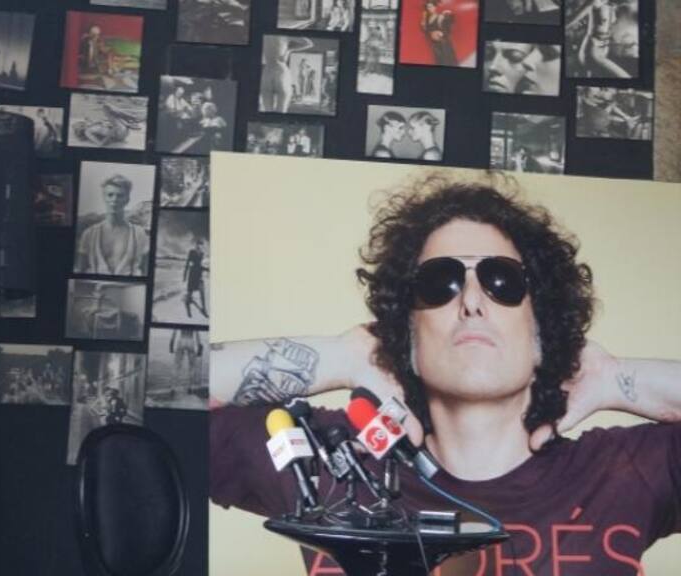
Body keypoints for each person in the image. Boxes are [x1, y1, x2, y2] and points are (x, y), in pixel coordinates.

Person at [210, 181, 681, 575]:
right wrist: (342, 356)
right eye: (440, 283)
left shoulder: (623, 471)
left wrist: (614, 377)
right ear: (409, 333)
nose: (471, 301)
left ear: (541, 330)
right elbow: (169, 392)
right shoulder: (330, 458)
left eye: (502, 281)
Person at [76, 174, 150, 276]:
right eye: (110, 195)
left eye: (120, 195)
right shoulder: (89, 234)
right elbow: (79, 272)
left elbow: (146, 272)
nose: (114, 199)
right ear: (104, 197)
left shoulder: (139, 234)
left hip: (130, 285)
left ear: (127, 199)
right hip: (96, 286)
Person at [567, 0, 631, 78]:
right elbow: (570, 22)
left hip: (604, 50)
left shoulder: (612, 5)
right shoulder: (595, 2)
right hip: (593, 50)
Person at [260, 36, 313, 113]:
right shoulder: (285, 34)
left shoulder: (265, 36)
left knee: (268, 110)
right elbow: (308, 43)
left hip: (267, 69)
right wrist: (289, 49)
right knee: (281, 109)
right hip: (280, 69)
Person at [420, 0, 457, 66]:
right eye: (428, 7)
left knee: (447, 62)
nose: (429, 8)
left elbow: (448, 30)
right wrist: (424, 17)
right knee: (439, 61)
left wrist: (441, 33)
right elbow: (425, 30)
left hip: (444, 44)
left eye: (431, 7)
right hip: (435, 44)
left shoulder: (440, 16)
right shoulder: (427, 19)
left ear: (435, 7)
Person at [183, 237, 208, 319]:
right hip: (192, 276)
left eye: (201, 244)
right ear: (196, 244)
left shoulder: (202, 254)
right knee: (189, 294)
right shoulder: (191, 252)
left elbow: (199, 265)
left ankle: (204, 309)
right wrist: (184, 275)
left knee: (202, 293)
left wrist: (206, 269)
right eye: (198, 244)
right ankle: (188, 308)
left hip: (199, 276)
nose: (199, 246)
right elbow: (187, 263)